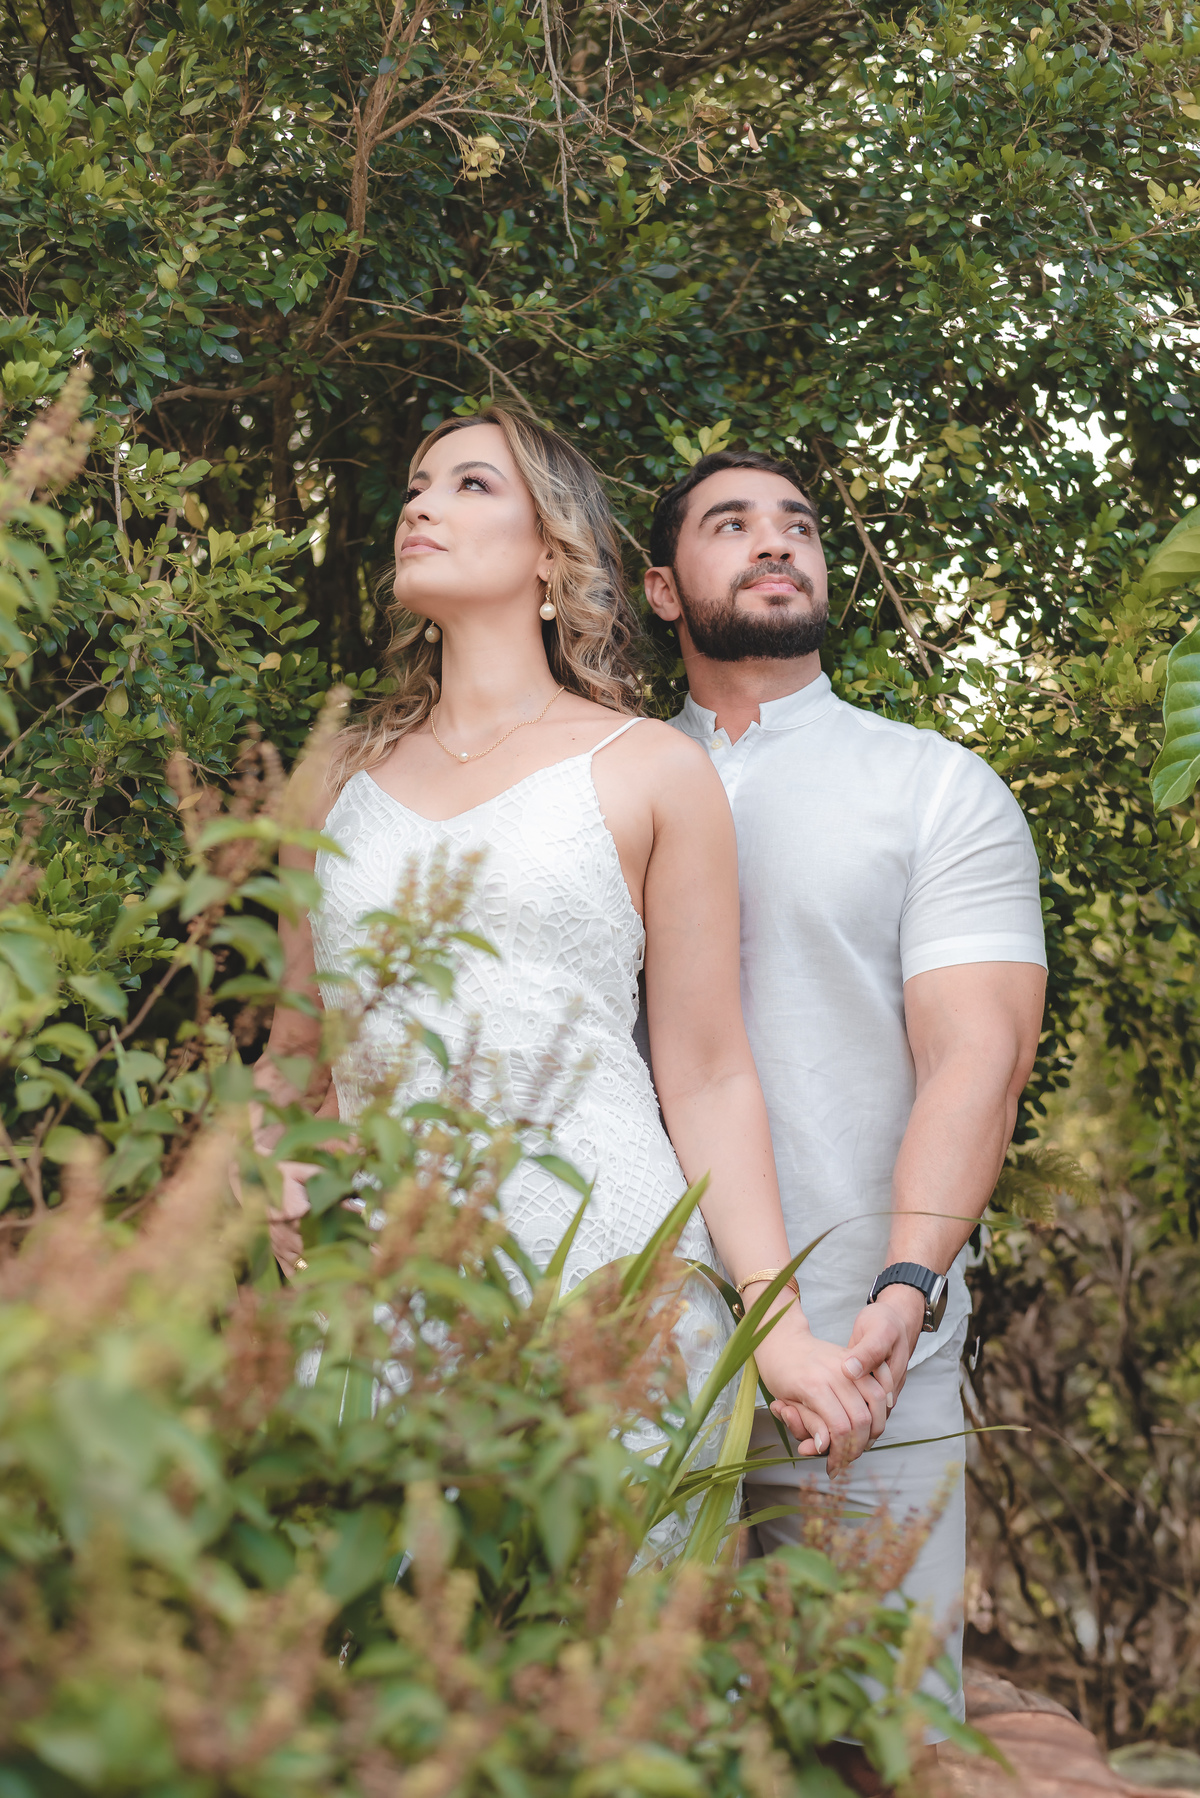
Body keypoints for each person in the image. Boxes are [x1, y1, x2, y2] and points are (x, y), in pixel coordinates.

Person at [257, 410, 889, 1534]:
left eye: (468, 485)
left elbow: (705, 1074)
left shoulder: (650, 768)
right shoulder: (336, 786)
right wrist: (283, 1192)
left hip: (614, 1281)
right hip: (382, 1298)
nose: (420, 504)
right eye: (415, 484)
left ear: (550, 553)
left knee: (591, 1678)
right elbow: (294, 1059)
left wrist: (776, 1328)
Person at [643, 448, 1046, 1751]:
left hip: (869, 1371)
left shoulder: (933, 787)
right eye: (732, 524)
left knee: (883, 1749)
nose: (776, 543)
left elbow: (977, 1057)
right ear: (660, 587)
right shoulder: (601, 784)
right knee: (625, 1744)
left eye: (798, 524)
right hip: (628, 1363)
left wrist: (904, 1290)